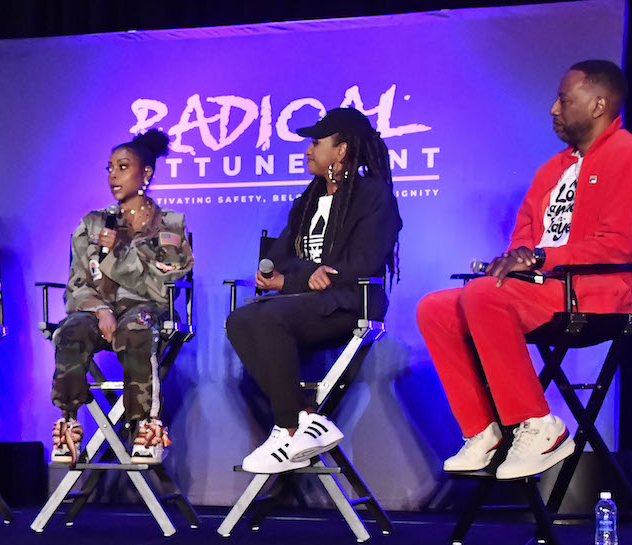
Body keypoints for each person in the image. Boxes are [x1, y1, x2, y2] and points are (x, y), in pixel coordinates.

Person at [416, 60, 632, 480]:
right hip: (540, 290)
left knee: (483, 294)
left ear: (599, 104)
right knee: (434, 308)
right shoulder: (550, 170)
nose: (552, 108)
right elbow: (524, 239)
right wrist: (516, 260)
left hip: (593, 294)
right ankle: (483, 432)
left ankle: (539, 424)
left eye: (564, 100)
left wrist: (543, 259)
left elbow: (617, 243)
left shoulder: (629, 155)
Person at [226, 107, 401, 473]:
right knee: (240, 320)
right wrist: (300, 276)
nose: (308, 150)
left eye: (317, 142)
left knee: (271, 316)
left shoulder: (374, 196)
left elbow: (362, 263)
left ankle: (288, 426)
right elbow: (279, 258)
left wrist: (294, 280)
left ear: (341, 150)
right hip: (306, 301)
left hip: (351, 303)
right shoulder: (308, 200)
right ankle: (305, 419)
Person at [50, 130, 193, 465]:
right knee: (70, 331)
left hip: (144, 310)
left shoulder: (169, 225)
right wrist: (100, 309)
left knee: (136, 329)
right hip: (98, 311)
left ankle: (146, 425)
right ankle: (68, 421)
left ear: (146, 173)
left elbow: (160, 286)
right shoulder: (92, 224)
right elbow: (77, 283)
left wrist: (119, 252)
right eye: (110, 168)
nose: (113, 175)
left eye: (123, 166)